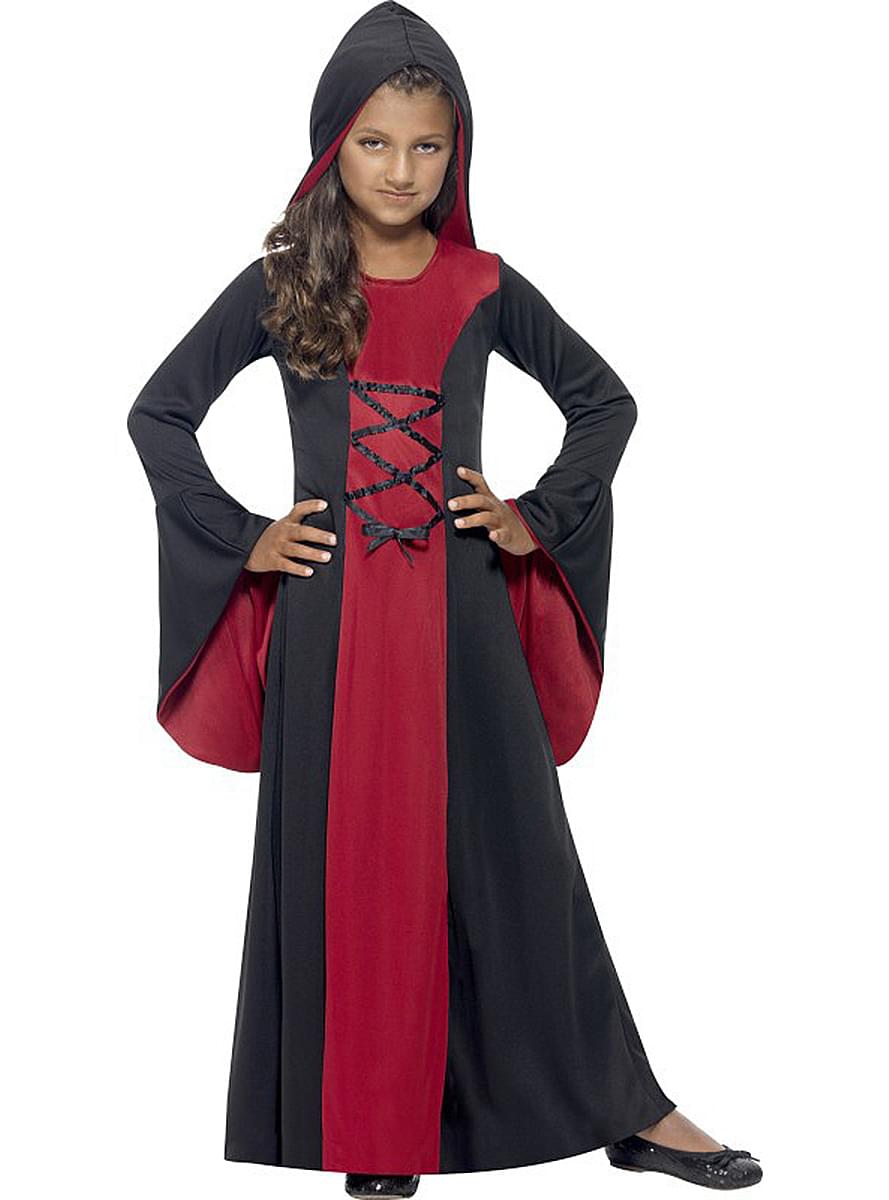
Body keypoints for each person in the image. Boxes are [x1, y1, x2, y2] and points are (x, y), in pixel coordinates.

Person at [126, 2, 762, 1194]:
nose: (401, 170)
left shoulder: (482, 283)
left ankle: (630, 1109)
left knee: (521, 863)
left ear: (457, 150)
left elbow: (605, 402)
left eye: (428, 145)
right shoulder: (281, 283)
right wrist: (244, 538)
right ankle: (375, 1135)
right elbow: (158, 414)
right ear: (332, 143)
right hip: (330, 626)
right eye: (375, 142)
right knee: (354, 869)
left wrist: (535, 516)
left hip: (464, 623)